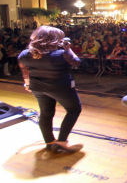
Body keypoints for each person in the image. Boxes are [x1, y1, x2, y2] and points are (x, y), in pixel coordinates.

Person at [18, 26, 83, 154]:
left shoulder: (25, 54)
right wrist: (68, 48)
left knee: (46, 113)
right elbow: (77, 62)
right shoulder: (62, 54)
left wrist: (27, 84)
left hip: (37, 87)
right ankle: (62, 141)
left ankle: (49, 142)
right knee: (74, 109)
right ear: (54, 39)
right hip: (60, 87)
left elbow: (24, 70)